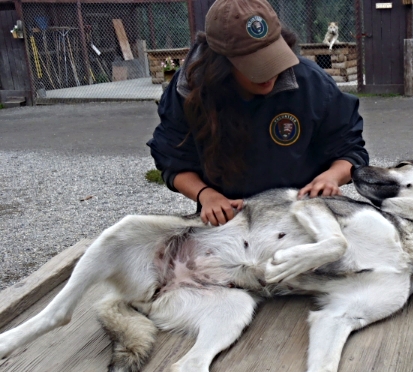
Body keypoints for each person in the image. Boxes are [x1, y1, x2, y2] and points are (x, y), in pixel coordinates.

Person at [148, 0, 369, 226]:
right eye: (254, 63)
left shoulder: (312, 83)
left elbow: (349, 149)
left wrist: (331, 177)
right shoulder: (190, 90)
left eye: (272, 56)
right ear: (219, 64)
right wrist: (206, 195)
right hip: (231, 219)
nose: (269, 72)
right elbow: (172, 159)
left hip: (301, 214)